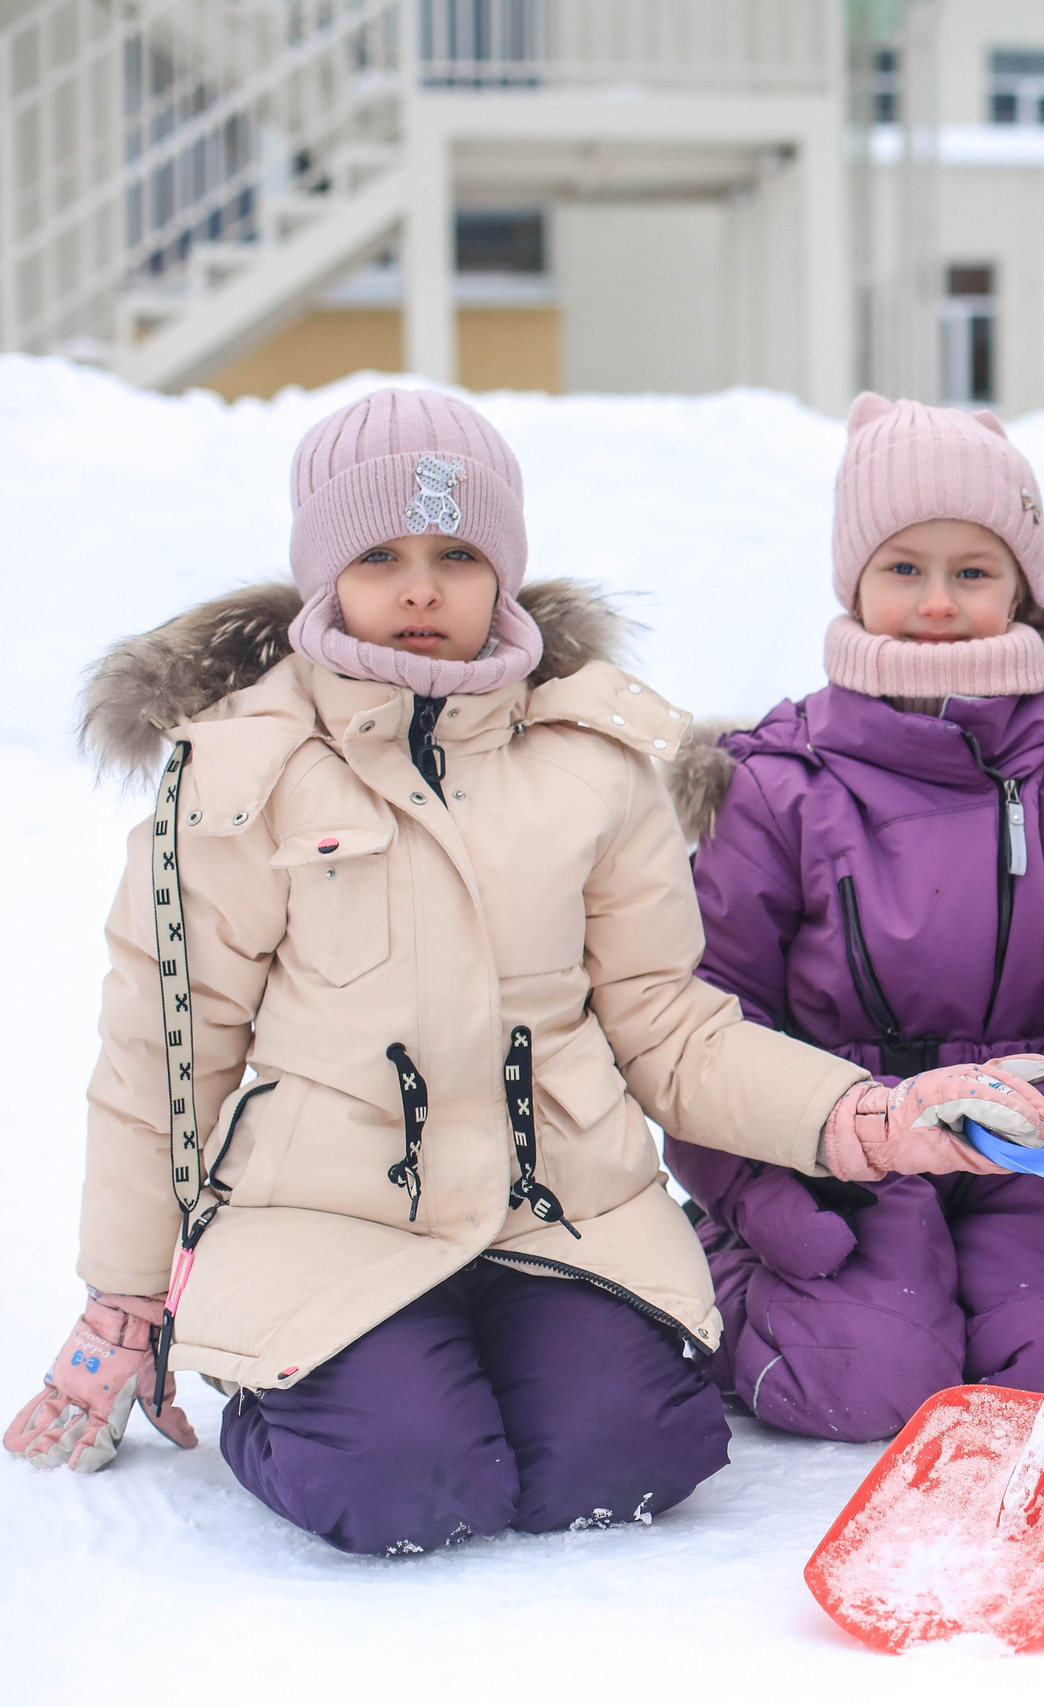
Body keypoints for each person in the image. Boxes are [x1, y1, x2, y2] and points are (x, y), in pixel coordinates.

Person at [5, 390, 904, 1555]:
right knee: (403, 1484)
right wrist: (127, 1300)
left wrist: (855, 1114)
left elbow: (665, 1023)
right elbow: (163, 1061)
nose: (420, 589)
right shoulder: (239, 773)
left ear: (504, 573)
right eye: (379, 556)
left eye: (458, 555)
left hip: (556, 1208)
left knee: (631, 1454)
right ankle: (283, 1390)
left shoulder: (593, 762)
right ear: (325, 576)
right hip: (327, 1216)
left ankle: (493, 1360)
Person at [662, 395, 1044, 1443]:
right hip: (846, 1146)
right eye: (903, 568)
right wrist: (761, 1190)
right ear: (854, 580)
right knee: (859, 1382)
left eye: (972, 571)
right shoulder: (777, 782)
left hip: (1034, 1143)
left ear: (1021, 587)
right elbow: (711, 1020)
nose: (936, 602)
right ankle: (730, 1276)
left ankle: (1000, 1277)